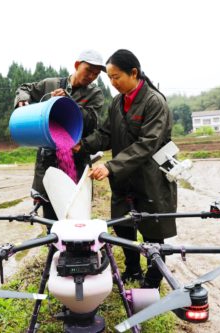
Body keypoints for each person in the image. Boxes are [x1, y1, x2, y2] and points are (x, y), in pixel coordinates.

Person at [74, 49, 177, 289]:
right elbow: (106, 134)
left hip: (150, 177)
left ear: (134, 73)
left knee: (152, 231)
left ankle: (153, 281)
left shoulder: (154, 102)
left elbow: (147, 144)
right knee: (123, 226)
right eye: (109, 78)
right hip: (124, 178)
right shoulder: (117, 103)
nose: (112, 83)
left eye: (116, 76)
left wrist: (110, 166)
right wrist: (82, 145)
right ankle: (132, 271)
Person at [14, 50, 105, 220]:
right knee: (52, 220)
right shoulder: (51, 84)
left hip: (77, 159)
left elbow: (92, 121)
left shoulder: (95, 94)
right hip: (48, 162)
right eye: (89, 70)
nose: (92, 76)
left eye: (96, 74)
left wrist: (69, 102)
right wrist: (22, 100)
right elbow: (24, 88)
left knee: (77, 216)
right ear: (77, 65)